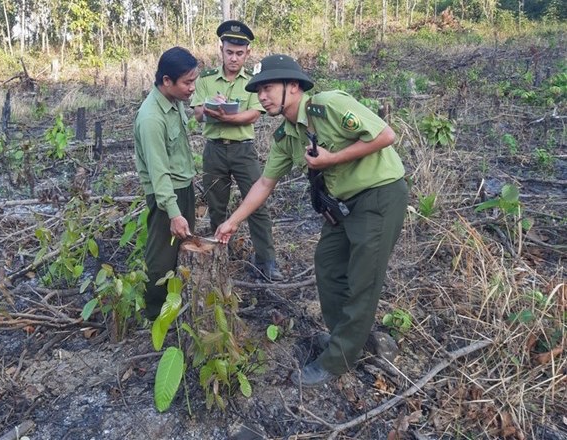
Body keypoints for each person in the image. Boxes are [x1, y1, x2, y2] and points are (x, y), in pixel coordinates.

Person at [215, 54, 408, 386]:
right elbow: (264, 183)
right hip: (342, 205)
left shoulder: (328, 105)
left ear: (293, 86)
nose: (262, 96)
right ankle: (343, 339)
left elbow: (385, 135)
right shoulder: (287, 134)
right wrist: (232, 221)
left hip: (379, 196)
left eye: (269, 88)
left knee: (362, 281)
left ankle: (339, 360)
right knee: (328, 265)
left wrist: (333, 158)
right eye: (258, 90)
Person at [190, 20, 282, 282]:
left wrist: (227, 117)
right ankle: (222, 255)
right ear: (221, 50)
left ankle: (267, 260)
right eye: (229, 52)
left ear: (248, 53)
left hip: (243, 151)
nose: (234, 58)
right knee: (217, 206)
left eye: (239, 54)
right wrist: (210, 110)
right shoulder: (206, 79)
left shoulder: (254, 82)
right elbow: (197, 113)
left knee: (257, 205)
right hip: (214, 151)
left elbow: (253, 115)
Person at [133, 47, 199, 320]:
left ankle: (178, 306)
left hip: (182, 189)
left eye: (194, 81)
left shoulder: (173, 102)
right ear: (167, 81)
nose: (192, 88)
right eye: (187, 82)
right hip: (166, 197)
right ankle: (154, 315)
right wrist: (173, 213)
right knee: (161, 258)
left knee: (182, 252)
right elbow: (159, 173)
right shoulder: (151, 118)